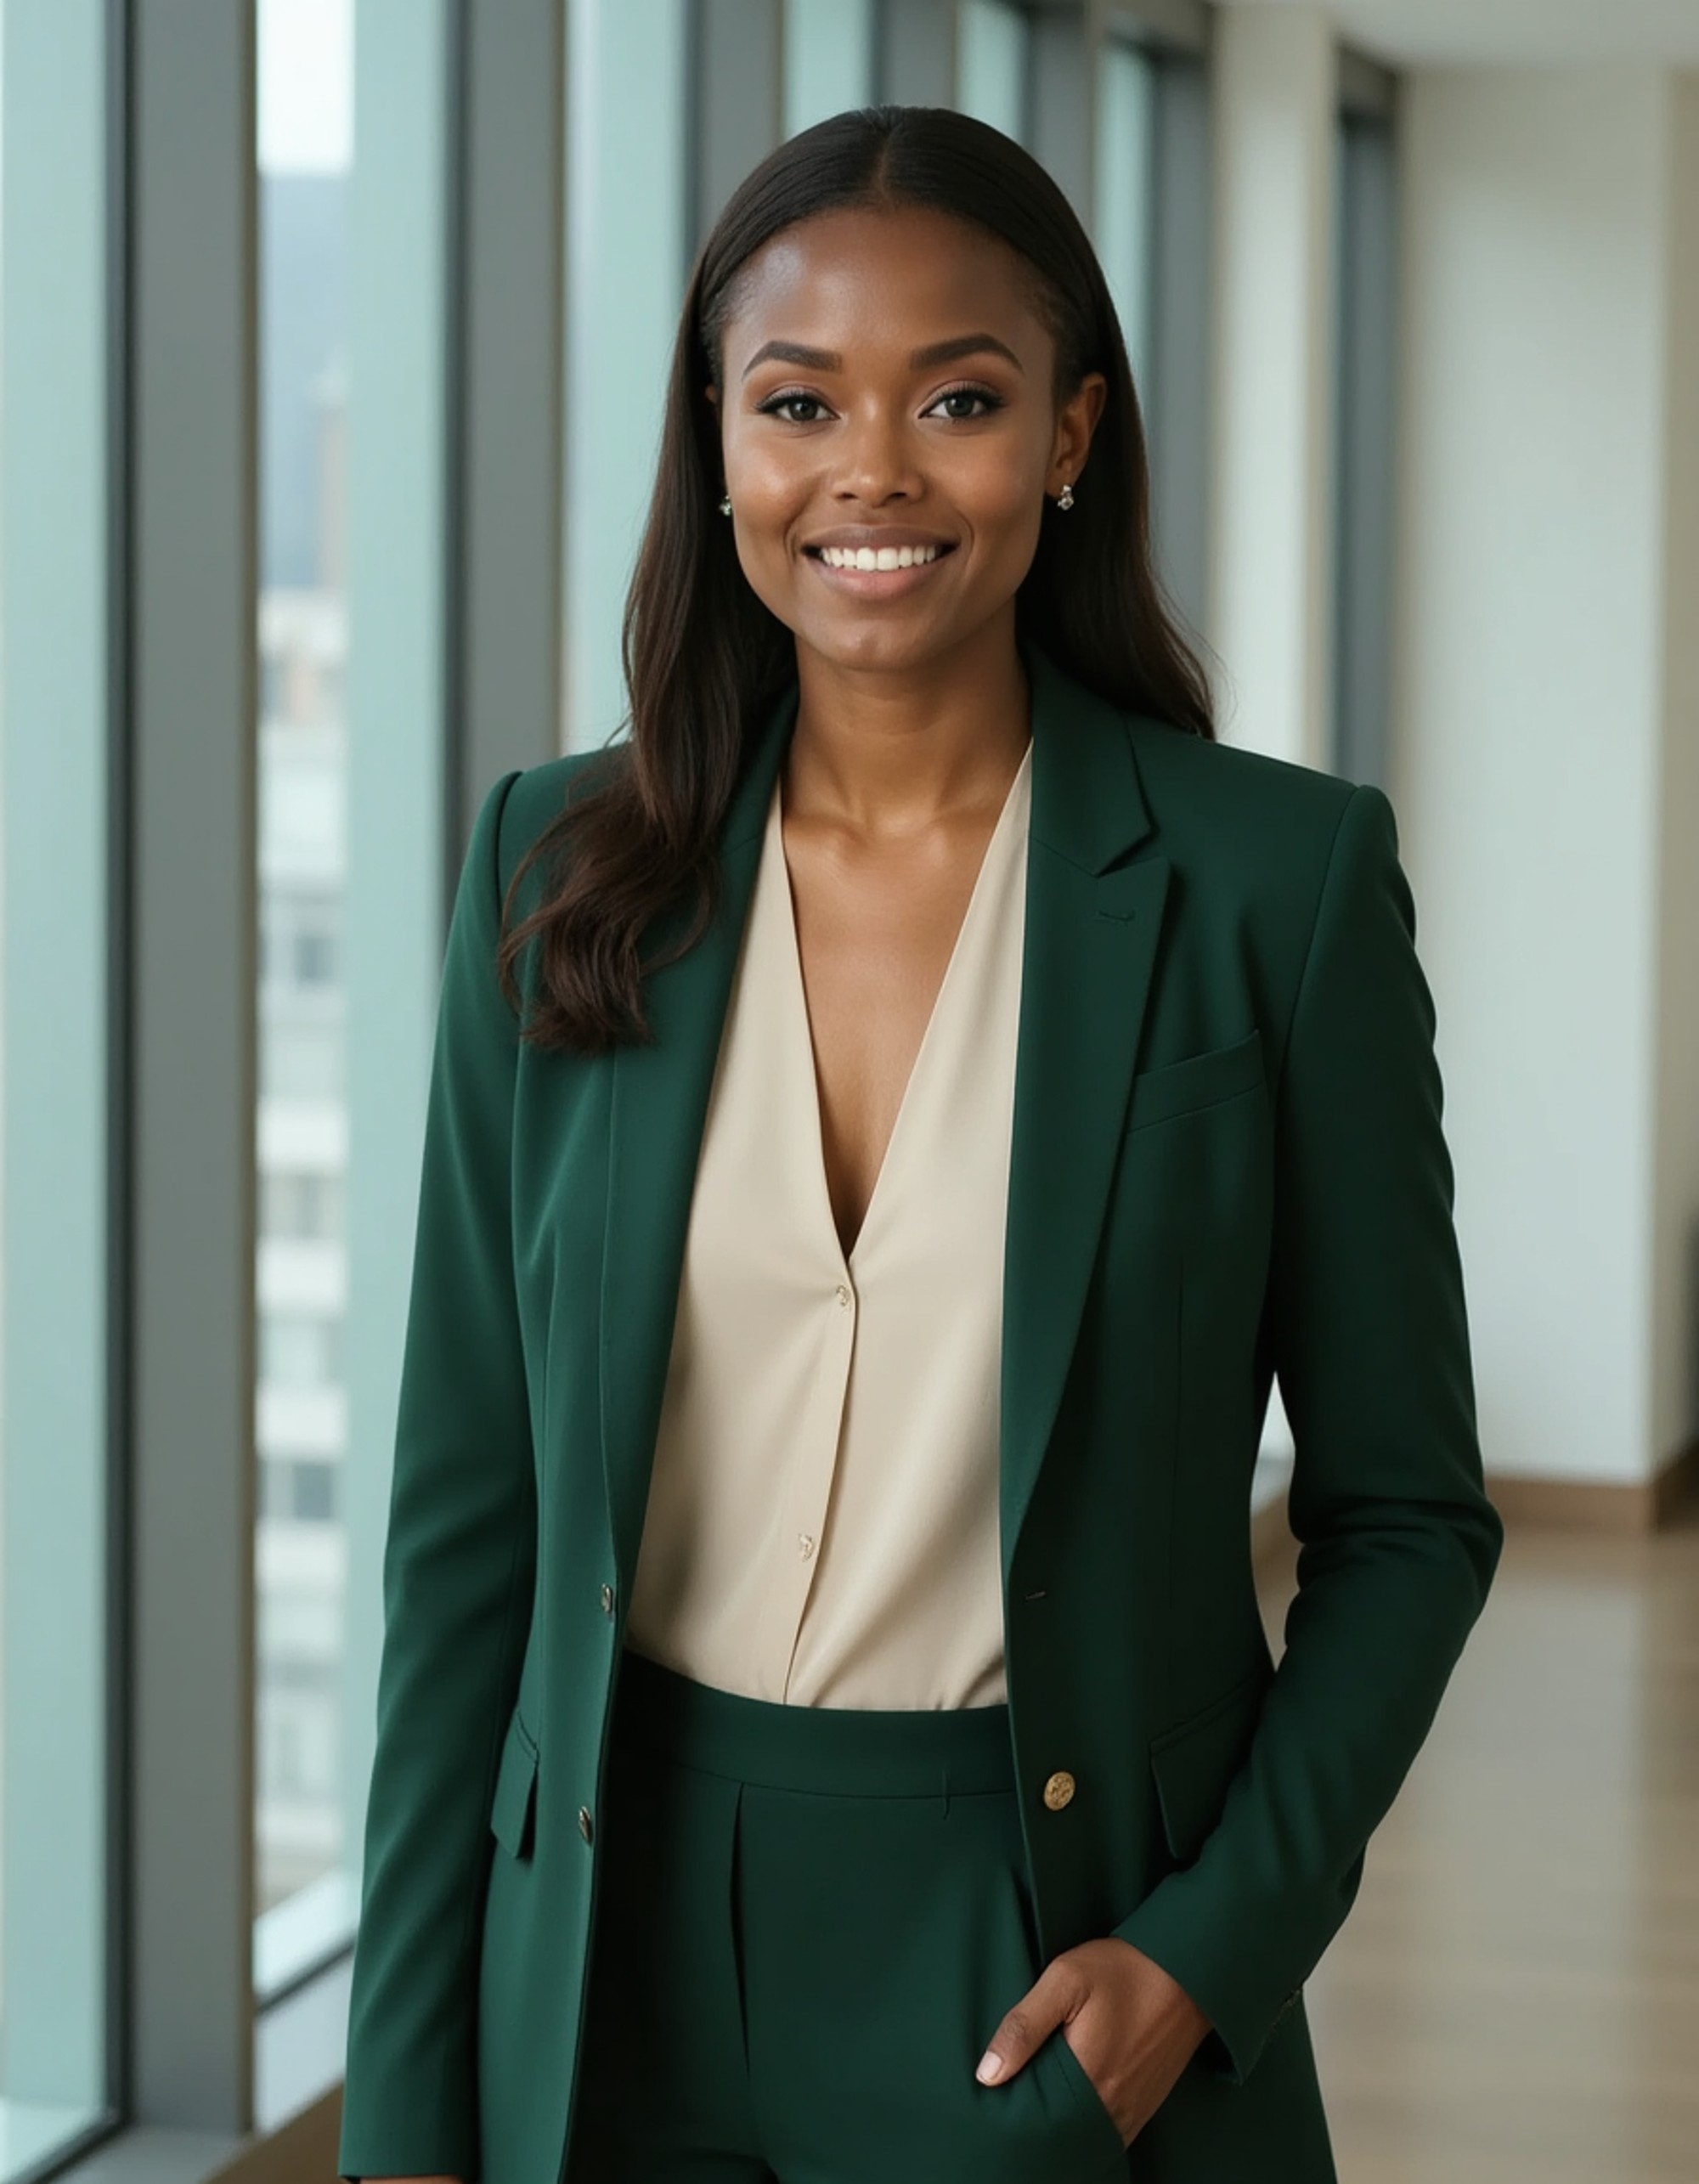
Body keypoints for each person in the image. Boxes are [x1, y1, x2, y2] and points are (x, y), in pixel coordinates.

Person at [337, 104, 1501, 2184]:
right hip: (601, 1954)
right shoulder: (558, 863)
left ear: (1067, 432)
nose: (870, 470)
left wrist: (1203, 1957)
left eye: (957, 397)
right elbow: (468, 1531)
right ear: (717, 439)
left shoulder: (1274, 884)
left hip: (1047, 1951)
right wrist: (408, 2112)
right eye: (797, 402)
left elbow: (1409, 1516)